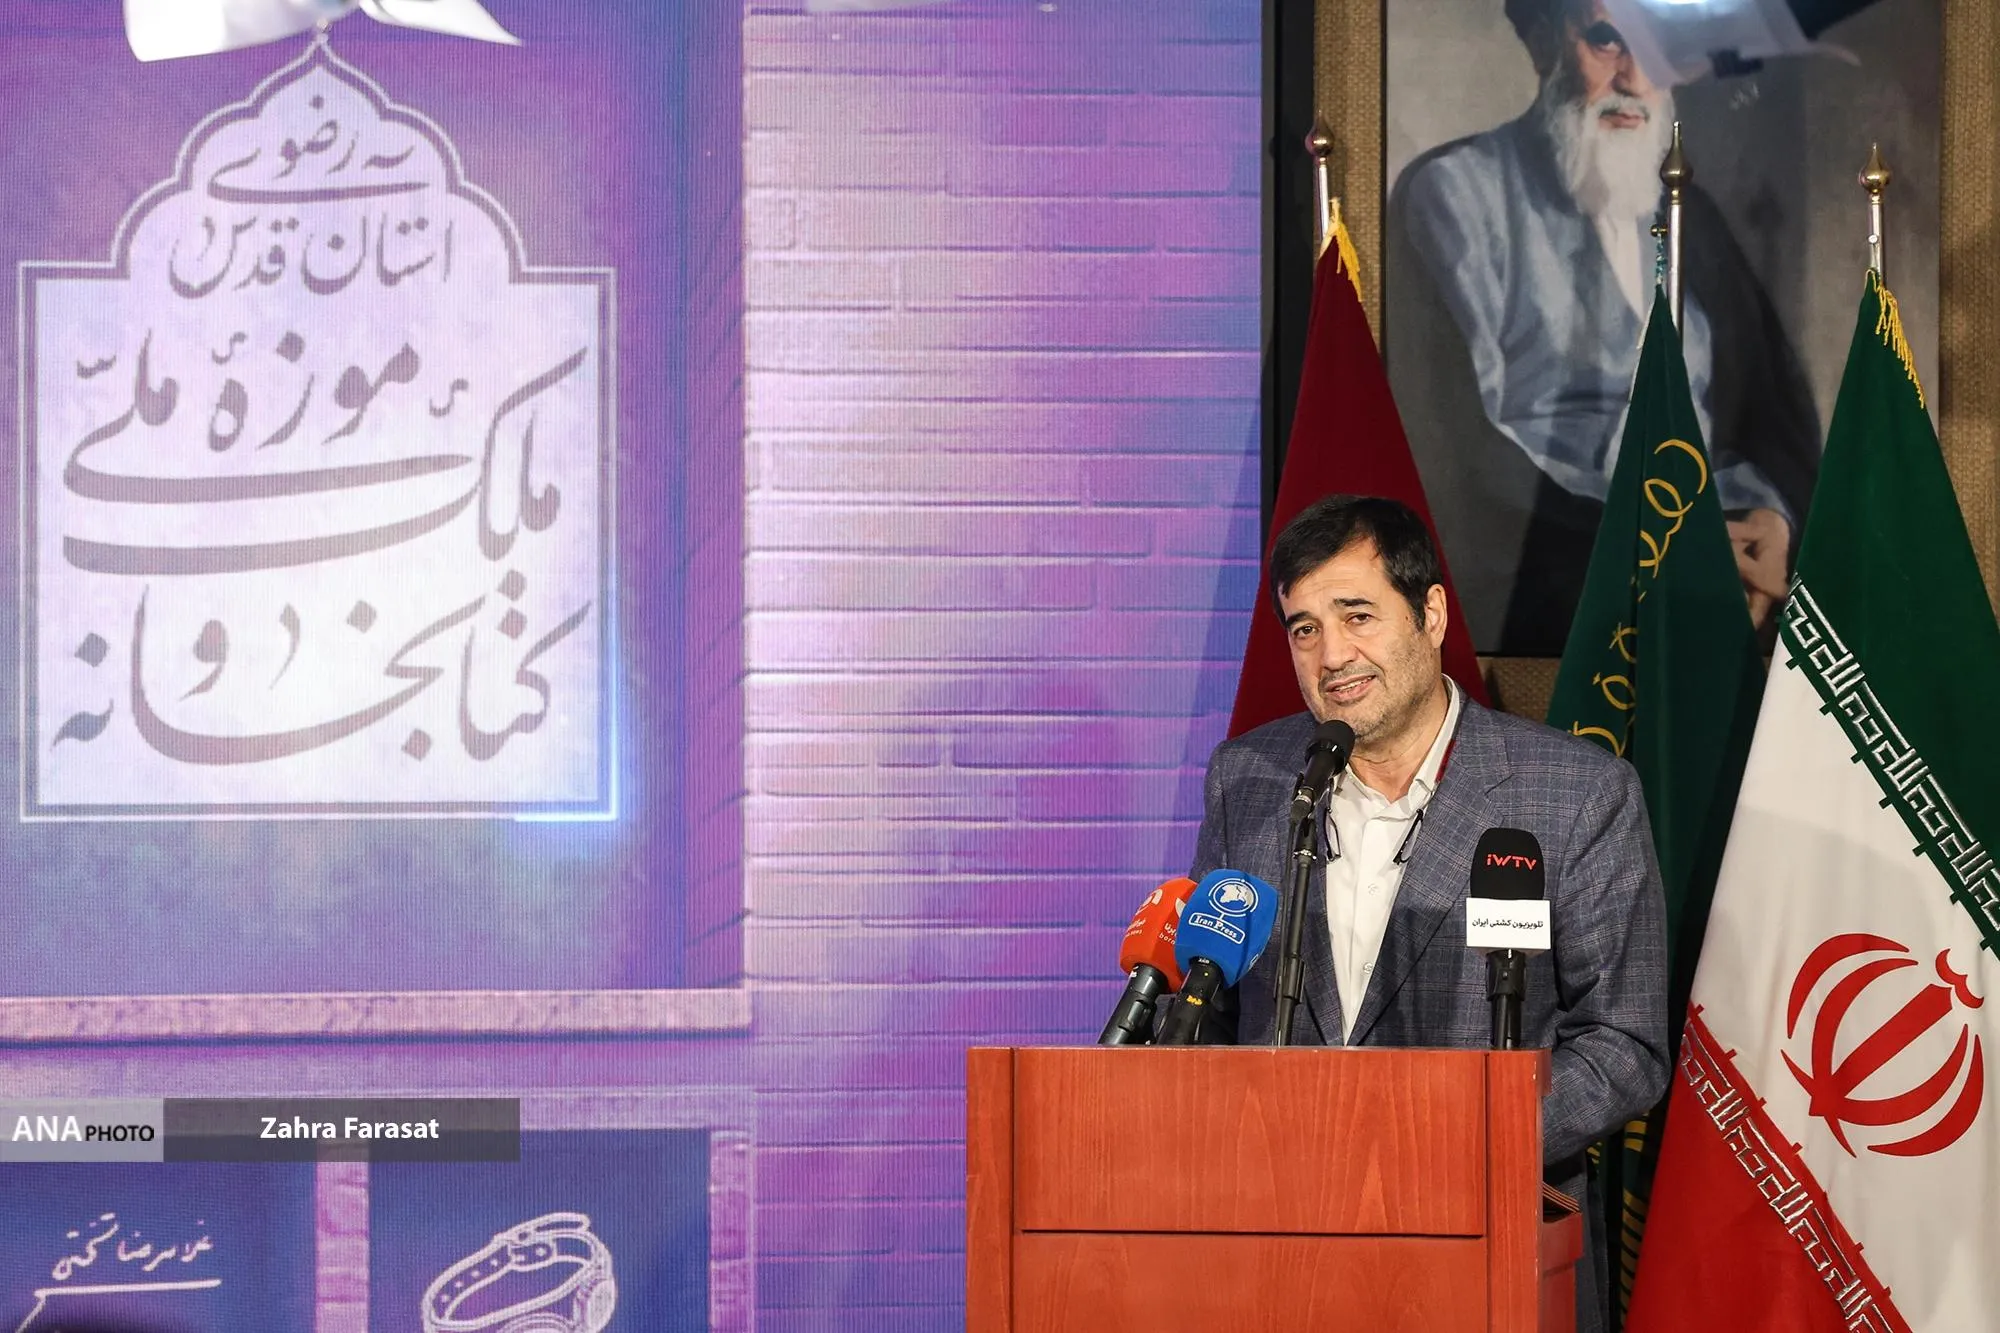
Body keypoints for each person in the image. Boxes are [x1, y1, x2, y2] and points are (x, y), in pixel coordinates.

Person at [1189, 495, 1668, 1333]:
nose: (1332, 655)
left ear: (1432, 613)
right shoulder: (1250, 778)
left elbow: (1625, 1043)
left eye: (1358, 615)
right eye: (1305, 628)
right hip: (1281, 1252)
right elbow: (1210, 1005)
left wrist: (1451, 1141)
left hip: (1485, 1242)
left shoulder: (1575, 794)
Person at [1385, 0, 1820, 653]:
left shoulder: (1689, 214)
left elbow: (1772, 416)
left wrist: (1773, 522)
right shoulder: (1454, 195)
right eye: (1608, 40)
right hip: (1555, 580)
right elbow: (1463, 453)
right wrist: (1666, 548)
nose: (1636, 78)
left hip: (1718, 565)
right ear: (1542, 44)